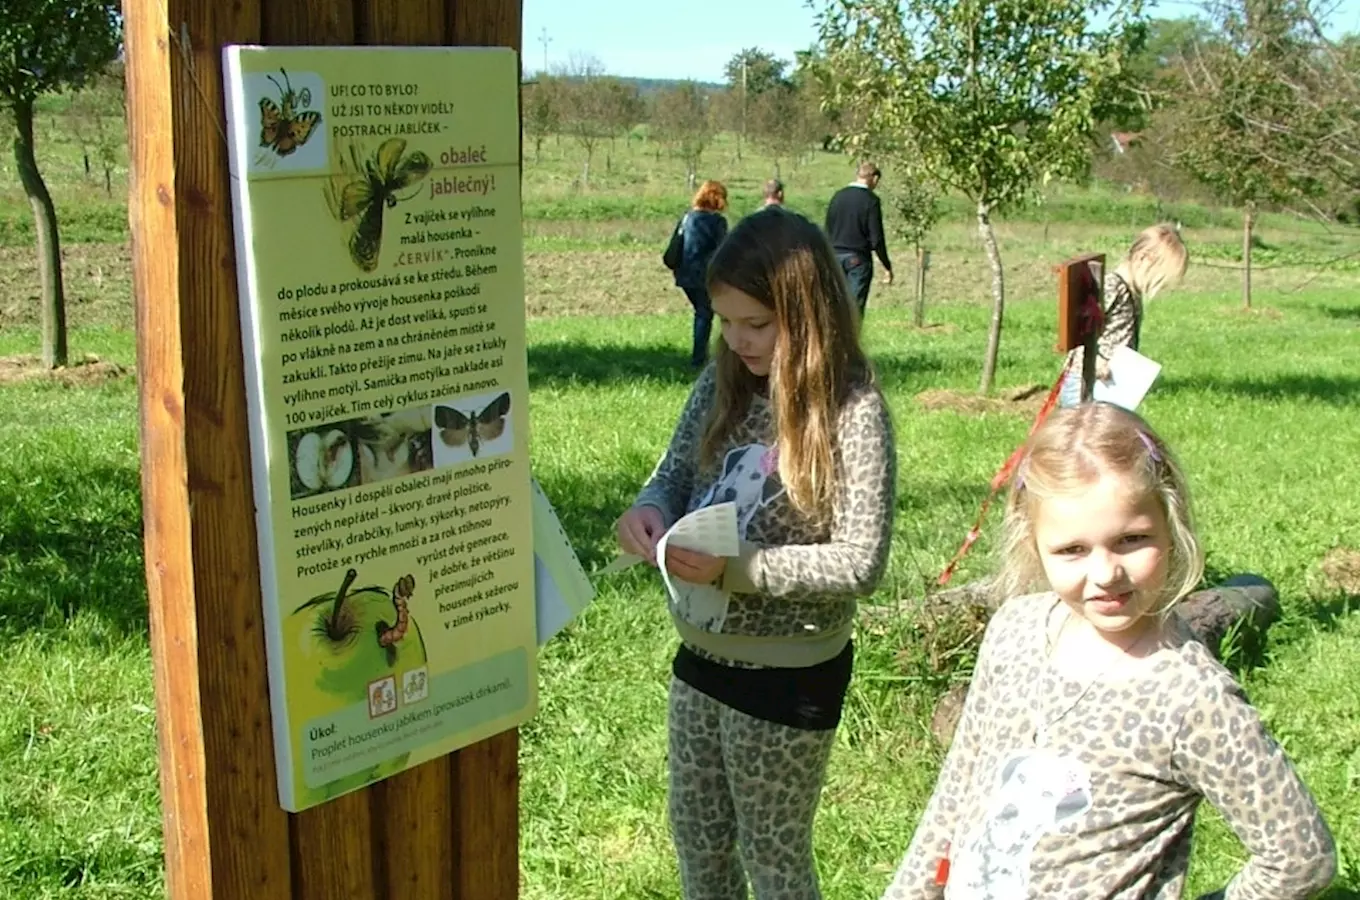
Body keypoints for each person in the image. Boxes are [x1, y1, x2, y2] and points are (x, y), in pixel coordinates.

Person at [879, 403, 1336, 900]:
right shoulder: (1016, 629)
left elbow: (1300, 859)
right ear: (1033, 543)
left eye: (1132, 540)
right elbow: (959, 785)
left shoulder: (1191, 699)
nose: (1106, 574)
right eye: (1072, 550)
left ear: (1171, 524)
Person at [617, 206, 897, 900]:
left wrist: (738, 570)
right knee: (701, 851)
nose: (736, 339)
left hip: (787, 674)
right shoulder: (724, 384)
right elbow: (673, 473)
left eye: (756, 324)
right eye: (725, 321)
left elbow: (862, 561)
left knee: (773, 860)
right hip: (700, 659)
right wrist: (651, 510)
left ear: (808, 315)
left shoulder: (853, 411)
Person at [1061, 223, 1188, 407]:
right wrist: (1095, 362)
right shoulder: (1112, 287)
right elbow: (1078, 332)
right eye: (1157, 279)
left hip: (1109, 387)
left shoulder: (1131, 291)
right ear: (1144, 258)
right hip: (1086, 385)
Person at [672, 180, 730, 369]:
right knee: (706, 314)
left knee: (702, 313)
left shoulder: (687, 217)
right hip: (706, 275)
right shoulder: (717, 221)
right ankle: (700, 360)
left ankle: (702, 356)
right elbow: (724, 250)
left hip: (685, 275)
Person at [824, 160, 893, 316]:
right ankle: (850, 338)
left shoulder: (837, 196)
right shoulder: (871, 200)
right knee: (854, 309)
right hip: (857, 259)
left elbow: (827, 228)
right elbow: (876, 238)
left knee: (834, 305)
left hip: (833, 257)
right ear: (874, 179)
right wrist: (886, 265)